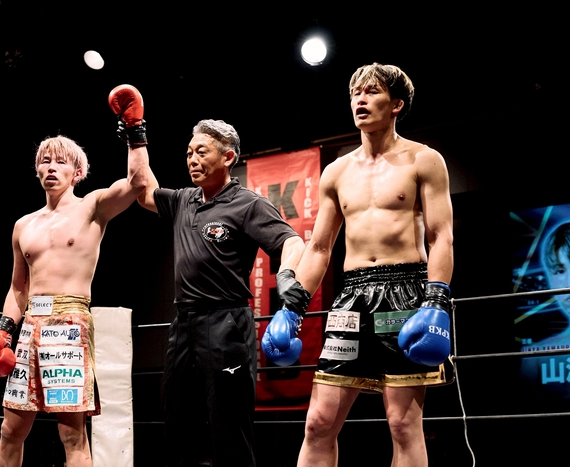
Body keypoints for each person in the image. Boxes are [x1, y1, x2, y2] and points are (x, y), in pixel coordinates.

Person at [292, 63, 455, 466]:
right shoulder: (336, 172)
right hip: (351, 298)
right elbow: (319, 248)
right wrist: (292, 306)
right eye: (355, 93)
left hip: (405, 290)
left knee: (402, 424)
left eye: (372, 92)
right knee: (318, 422)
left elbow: (440, 236)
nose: (360, 100)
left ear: (396, 104)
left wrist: (437, 300)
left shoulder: (424, 160)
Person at [0, 87, 149, 467]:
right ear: (37, 170)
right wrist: (4, 329)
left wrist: (135, 130)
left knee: (72, 435)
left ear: (77, 172)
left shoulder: (92, 208)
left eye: (60, 161)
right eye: (45, 161)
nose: (51, 167)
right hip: (30, 325)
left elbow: (138, 183)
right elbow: (18, 287)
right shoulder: (23, 225)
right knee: (10, 430)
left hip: (70, 323)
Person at [129, 110, 307, 466]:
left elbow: (292, 242)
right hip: (183, 324)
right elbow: (142, 189)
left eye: (201, 152)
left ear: (227, 157)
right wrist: (136, 135)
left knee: (229, 428)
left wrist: (287, 277)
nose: (192, 159)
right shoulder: (184, 199)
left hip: (226, 323)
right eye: (189, 153)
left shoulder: (248, 203)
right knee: (177, 424)